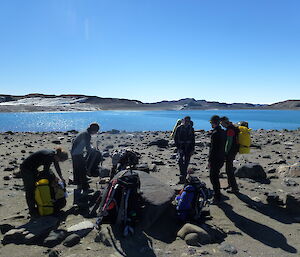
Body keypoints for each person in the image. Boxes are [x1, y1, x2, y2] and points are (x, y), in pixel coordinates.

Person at [20, 148, 68, 218]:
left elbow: (56, 166)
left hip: (33, 168)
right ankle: (32, 211)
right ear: (58, 157)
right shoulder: (49, 157)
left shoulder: (53, 154)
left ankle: (38, 205)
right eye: (60, 160)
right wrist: (53, 180)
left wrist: (61, 177)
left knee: (36, 186)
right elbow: (46, 171)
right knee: (30, 189)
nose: (59, 162)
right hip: (26, 169)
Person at [71, 122, 100, 205]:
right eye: (96, 131)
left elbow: (85, 144)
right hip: (77, 154)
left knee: (78, 170)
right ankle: (85, 188)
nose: (96, 133)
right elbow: (87, 147)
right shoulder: (87, 134)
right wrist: (94, 150)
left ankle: (80, 186)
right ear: (94, 130)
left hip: (75, 153)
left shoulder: (84, 132)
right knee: (82, 170)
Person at [208, 115, 226, 202]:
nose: (211, 124)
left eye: (211, 123)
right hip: (222, 157)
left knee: (213, 177)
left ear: (214, 123)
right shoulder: (223, 132)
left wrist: (209, 161)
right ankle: (217, 194)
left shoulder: (215, 134)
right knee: (215, 176)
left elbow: (213, 149)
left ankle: (217, 196)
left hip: (215, 158)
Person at [220, 116, 239, 193]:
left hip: (231, 152)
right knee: (229, 169)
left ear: (224, 122)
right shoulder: (233, 128)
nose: (221, 125)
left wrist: (226, 152)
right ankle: (230, 185)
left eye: (221, 123)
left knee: (229, 170)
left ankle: (234, 188)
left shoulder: (230, 129)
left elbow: (229, 142)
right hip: (234, 150)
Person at [174, 116, 195, 184]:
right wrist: (178, 148)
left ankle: (183, 177)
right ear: (183, 121)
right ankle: (182, 175)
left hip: (188, 147)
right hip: (181, 147)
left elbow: (193, 139)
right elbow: (176, 139)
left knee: (186, 162)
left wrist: (192, 149)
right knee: (180, 160)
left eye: (188, 121)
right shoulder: (179, 128)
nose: (186, 122)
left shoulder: (191, 129)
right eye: (185, 121)